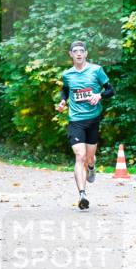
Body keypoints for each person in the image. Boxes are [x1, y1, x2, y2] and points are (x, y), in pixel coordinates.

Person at [55, 40, 114, 210]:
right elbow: (65, 90)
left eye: (82, 51)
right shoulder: (68, 74)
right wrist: (63, 101)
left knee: (89, 157)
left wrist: (99, 96)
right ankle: (82, 195)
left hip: (93, 119)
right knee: (79, 156)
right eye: (76, 51)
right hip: (76, 120)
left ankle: (92, 166)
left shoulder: (96, 70)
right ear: (71, 54)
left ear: (86, 53)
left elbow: (111, 89)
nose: (79, 54)